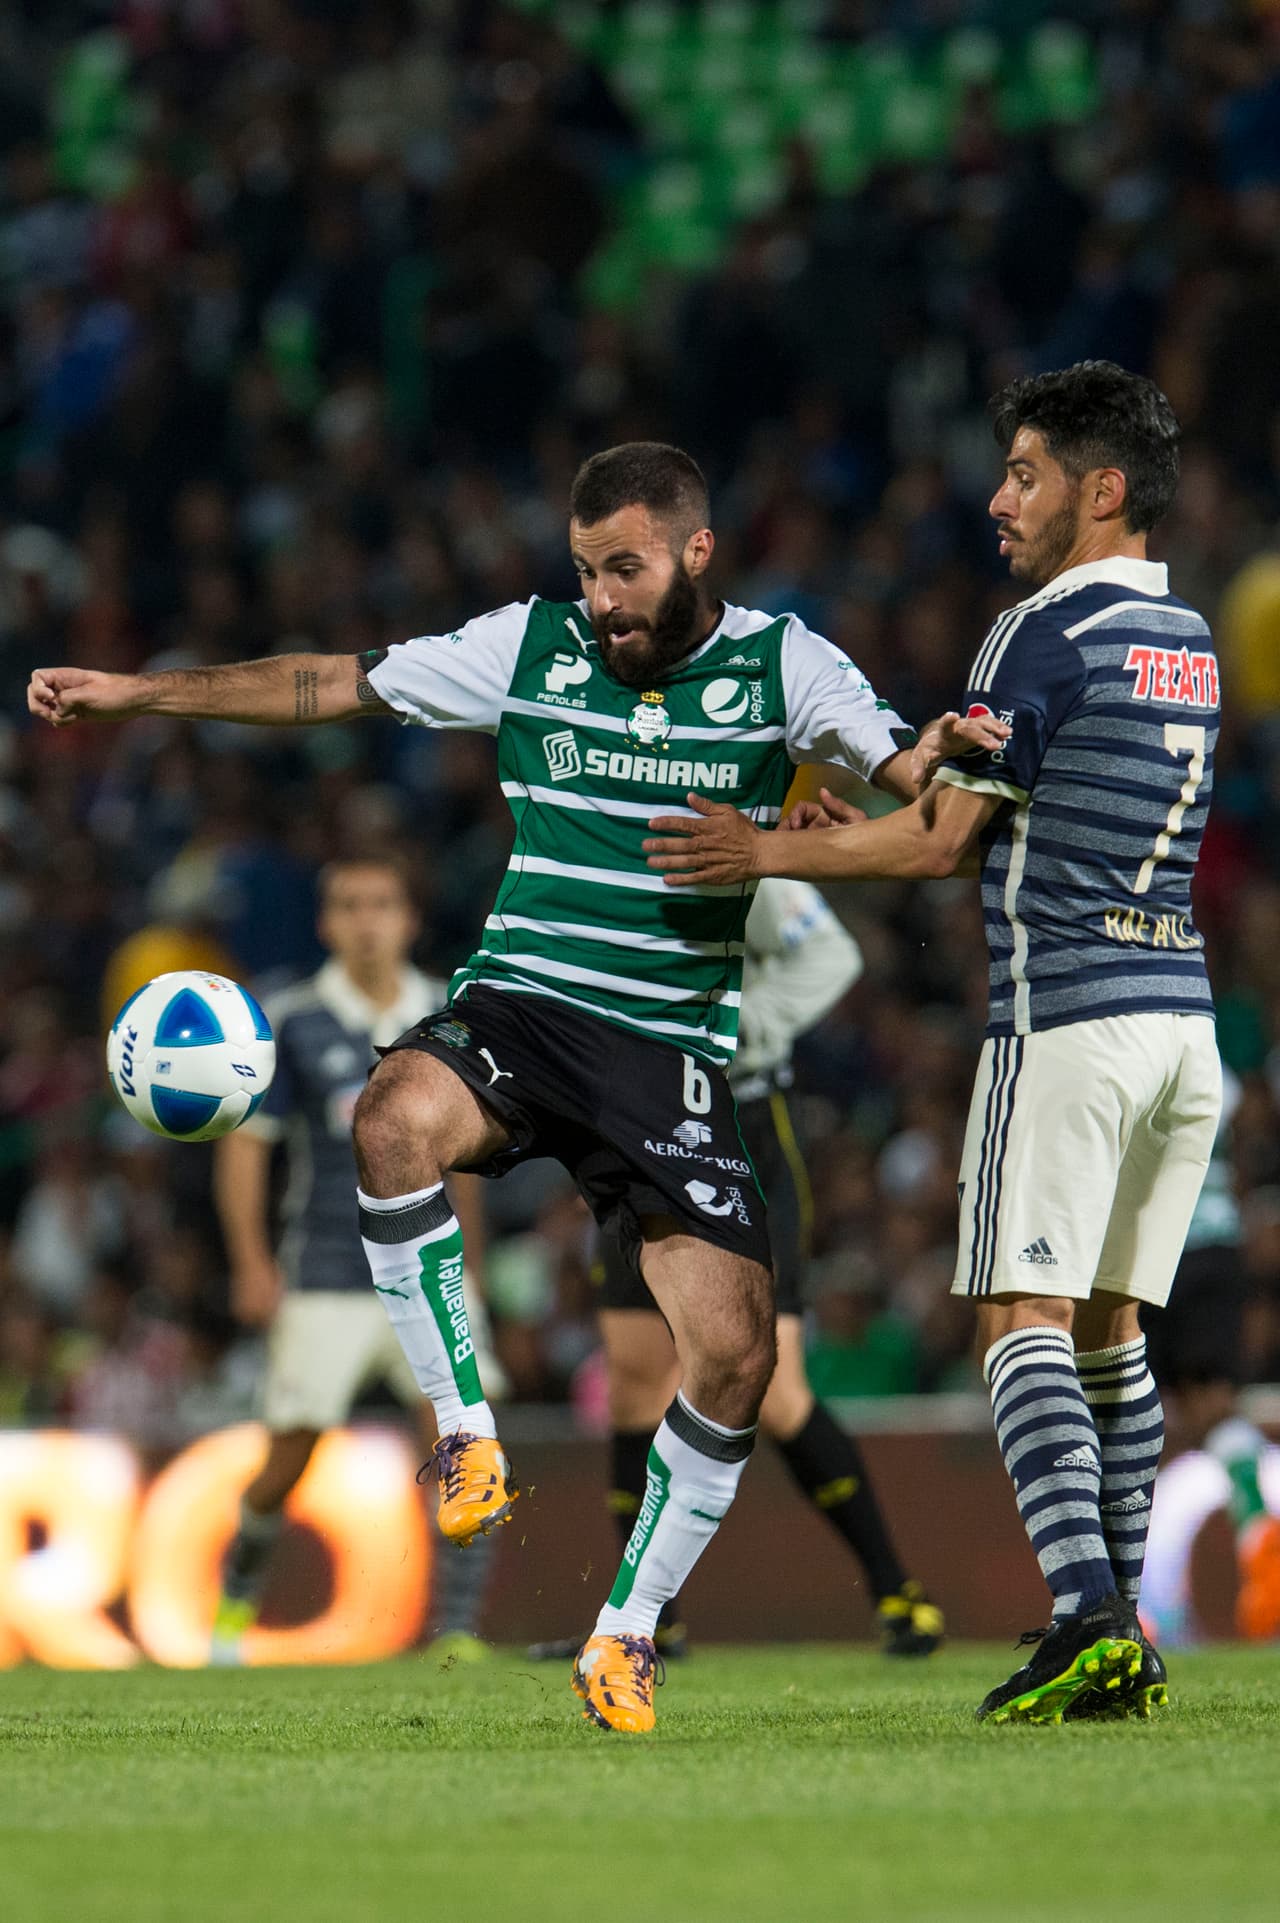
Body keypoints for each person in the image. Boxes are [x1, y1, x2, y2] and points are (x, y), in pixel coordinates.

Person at [27, 439, 999, 1732]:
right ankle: (466, 1430)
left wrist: (839, 810)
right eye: (588, 568)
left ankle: (628, 1629)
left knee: (735, 1352)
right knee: (392, 1116)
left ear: (699, 553)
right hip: (526, 1009)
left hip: (670, 1053)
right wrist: (137, 695)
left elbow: (918, 805)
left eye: (629, 568)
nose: (603, 596)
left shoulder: (787, 667)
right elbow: (330, 681)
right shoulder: (528, 645)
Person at [643, 364, 1223, 1724]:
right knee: (1113, 1328)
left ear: (1102, 489)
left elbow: (943, 839)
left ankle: (1089, 1612)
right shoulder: (1186, 634)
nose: (997, 497)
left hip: (1069, 1015)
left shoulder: (1038, 632)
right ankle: (1117, 1625)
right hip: (1180, 1025)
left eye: (1025, 473)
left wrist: (771, 848)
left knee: (1017, 1320)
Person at [531, 876, 944, 1662]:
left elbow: (831, 953)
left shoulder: (721, 848)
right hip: (636, 1133)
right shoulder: (595, 847)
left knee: (778, 1389)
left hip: (742, 1125)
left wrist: (747, 1028)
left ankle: (899, 1591)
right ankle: (650, 1622)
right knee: (632, 1383)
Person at [209, 854, 505, 1663]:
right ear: (325, 923)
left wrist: (470, 1265)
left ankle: (458, 1633)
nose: (366, 920)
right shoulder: (293, 1019)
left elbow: (467, 1156)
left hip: (430, 1264)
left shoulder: (448, 1010)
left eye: (381, 903)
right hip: (327, 1269)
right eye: (348, 904)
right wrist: (251, 1262)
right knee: (286, 1461)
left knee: (461, 1441)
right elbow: (248, 1151)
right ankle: (233, 1608)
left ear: (409, 918)